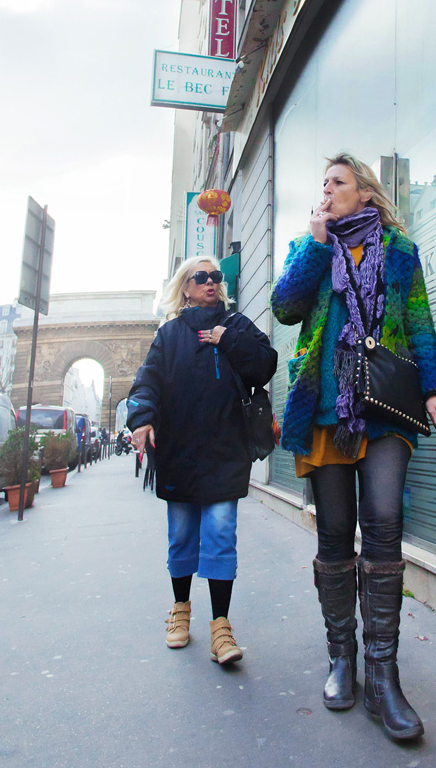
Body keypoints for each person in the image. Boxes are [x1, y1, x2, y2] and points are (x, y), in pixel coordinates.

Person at [271, 153, 436, 742]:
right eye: (322, 182)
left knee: (383, 519)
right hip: (326, 407)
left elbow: (420, 324)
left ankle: (383, 674)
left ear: (365, 194)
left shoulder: (400, 253)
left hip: (386, 409)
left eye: (337, 182)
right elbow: (285, 307)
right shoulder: (312, 250)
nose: (326, 190)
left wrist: (433, 390)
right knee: (334, 533)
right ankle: (342, 659)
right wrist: (317, 245)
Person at [128, 255, 277, 665]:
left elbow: (266, 364)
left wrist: (224, 338)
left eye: (216, 277)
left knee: (220, 533)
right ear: (185, 287)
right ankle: (179, 610)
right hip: (179, 451)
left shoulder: (237, 324)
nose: (211, 282)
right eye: (202, 277)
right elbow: (147, 380)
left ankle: (221, 628)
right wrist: (141, 419)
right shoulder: (170, 334)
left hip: (227, 451)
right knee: (182, 535)